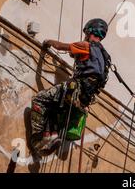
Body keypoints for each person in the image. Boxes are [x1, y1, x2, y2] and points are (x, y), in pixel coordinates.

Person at [30, 18, 111, 156]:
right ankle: (52, 135)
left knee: (39, 99)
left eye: (86, 33)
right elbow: (81, 59)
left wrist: (48, 42)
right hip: (85, 99)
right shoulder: (105, 56)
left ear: (90, 31)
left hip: (75, 90)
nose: (85, 35)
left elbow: (61, 46)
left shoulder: (87, 46)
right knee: (55, 106)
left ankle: (37, 137)